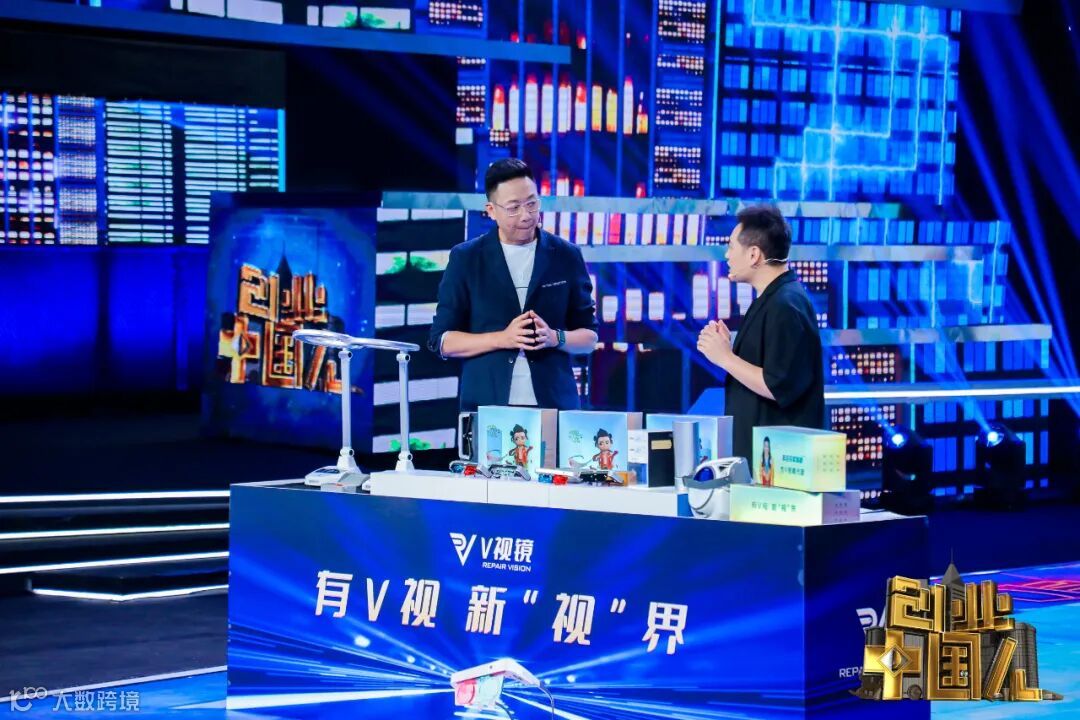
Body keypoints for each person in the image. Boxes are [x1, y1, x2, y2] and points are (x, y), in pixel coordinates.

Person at [430, 158, 598, 410]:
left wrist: (555, 337)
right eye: (513, 208)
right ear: (491, 210)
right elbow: (442, 341)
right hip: (487, 404)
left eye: (532, 203)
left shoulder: (566, 255)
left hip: (554, 405)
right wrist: (503, 339)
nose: (526, 215)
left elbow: (589, 337)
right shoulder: (467, 258)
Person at [696, 204, 825, 462]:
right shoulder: (773, 299)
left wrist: (725, 358)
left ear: (754, 254)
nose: (726, 255)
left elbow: (778, 385)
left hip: (781, 465)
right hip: (761, 460)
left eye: (731, 246)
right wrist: (729, 349)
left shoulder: (785, 305)